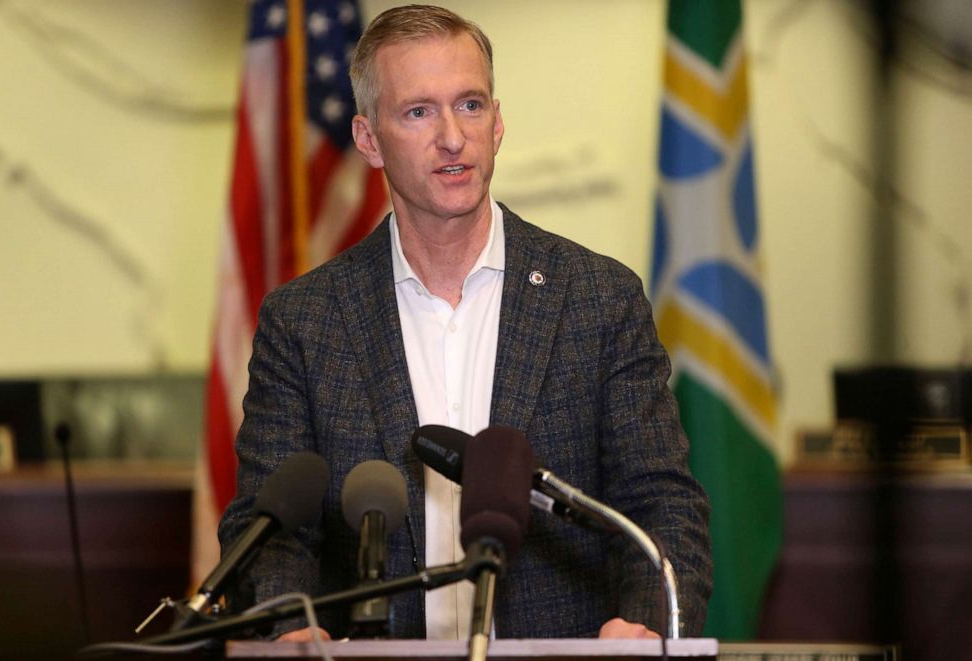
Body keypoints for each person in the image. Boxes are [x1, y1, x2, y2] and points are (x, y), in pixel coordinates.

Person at [219, 3, 712, 642]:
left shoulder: (597, 298)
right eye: (419, 111)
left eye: (471, 105)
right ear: (369, 140)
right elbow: (269, 535)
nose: (452, 136)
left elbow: (663, 508)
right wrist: (286, 629)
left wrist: (645, 627)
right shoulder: (305, 323)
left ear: (498, 122)